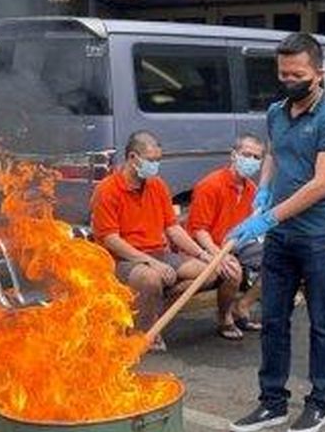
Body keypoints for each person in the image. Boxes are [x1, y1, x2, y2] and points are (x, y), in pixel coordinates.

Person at [227, 32, 325, 432]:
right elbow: (273, 155)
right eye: (283, 73)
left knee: (322, 322)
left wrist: (267, 219)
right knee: (274, 319)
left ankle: (318, 403)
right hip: (281, 236)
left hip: (319, 236)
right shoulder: (276, 113)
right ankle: (272, 401)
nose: (289, 80)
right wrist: (262, 193)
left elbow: (320, 184)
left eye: (297, 73)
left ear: (317, 73)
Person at [91, 130, 242, 351]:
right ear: (133, 158)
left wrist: (205, 255)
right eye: (151, 160)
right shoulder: (107, 190)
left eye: (158, 160)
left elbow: (173, 229)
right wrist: (150, 261)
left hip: (159, 254)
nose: (155, 165)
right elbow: (111, 240)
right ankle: (143, 331)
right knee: (150, 278)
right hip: (121, 259)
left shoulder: (157, 185)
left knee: (213, 271)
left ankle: (154, 311)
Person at [185, 133, 268, 338]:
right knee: (232, 269)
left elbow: (251, 226)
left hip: (235, 244)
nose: (251, 161)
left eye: (257, 158)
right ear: (233, 155)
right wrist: (218, 254)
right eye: (246, 155)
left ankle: (243, 306)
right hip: (205, 246)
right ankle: (224, 318)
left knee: (282, 257)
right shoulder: (210, 185)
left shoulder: (251, 189)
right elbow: (198, 230)